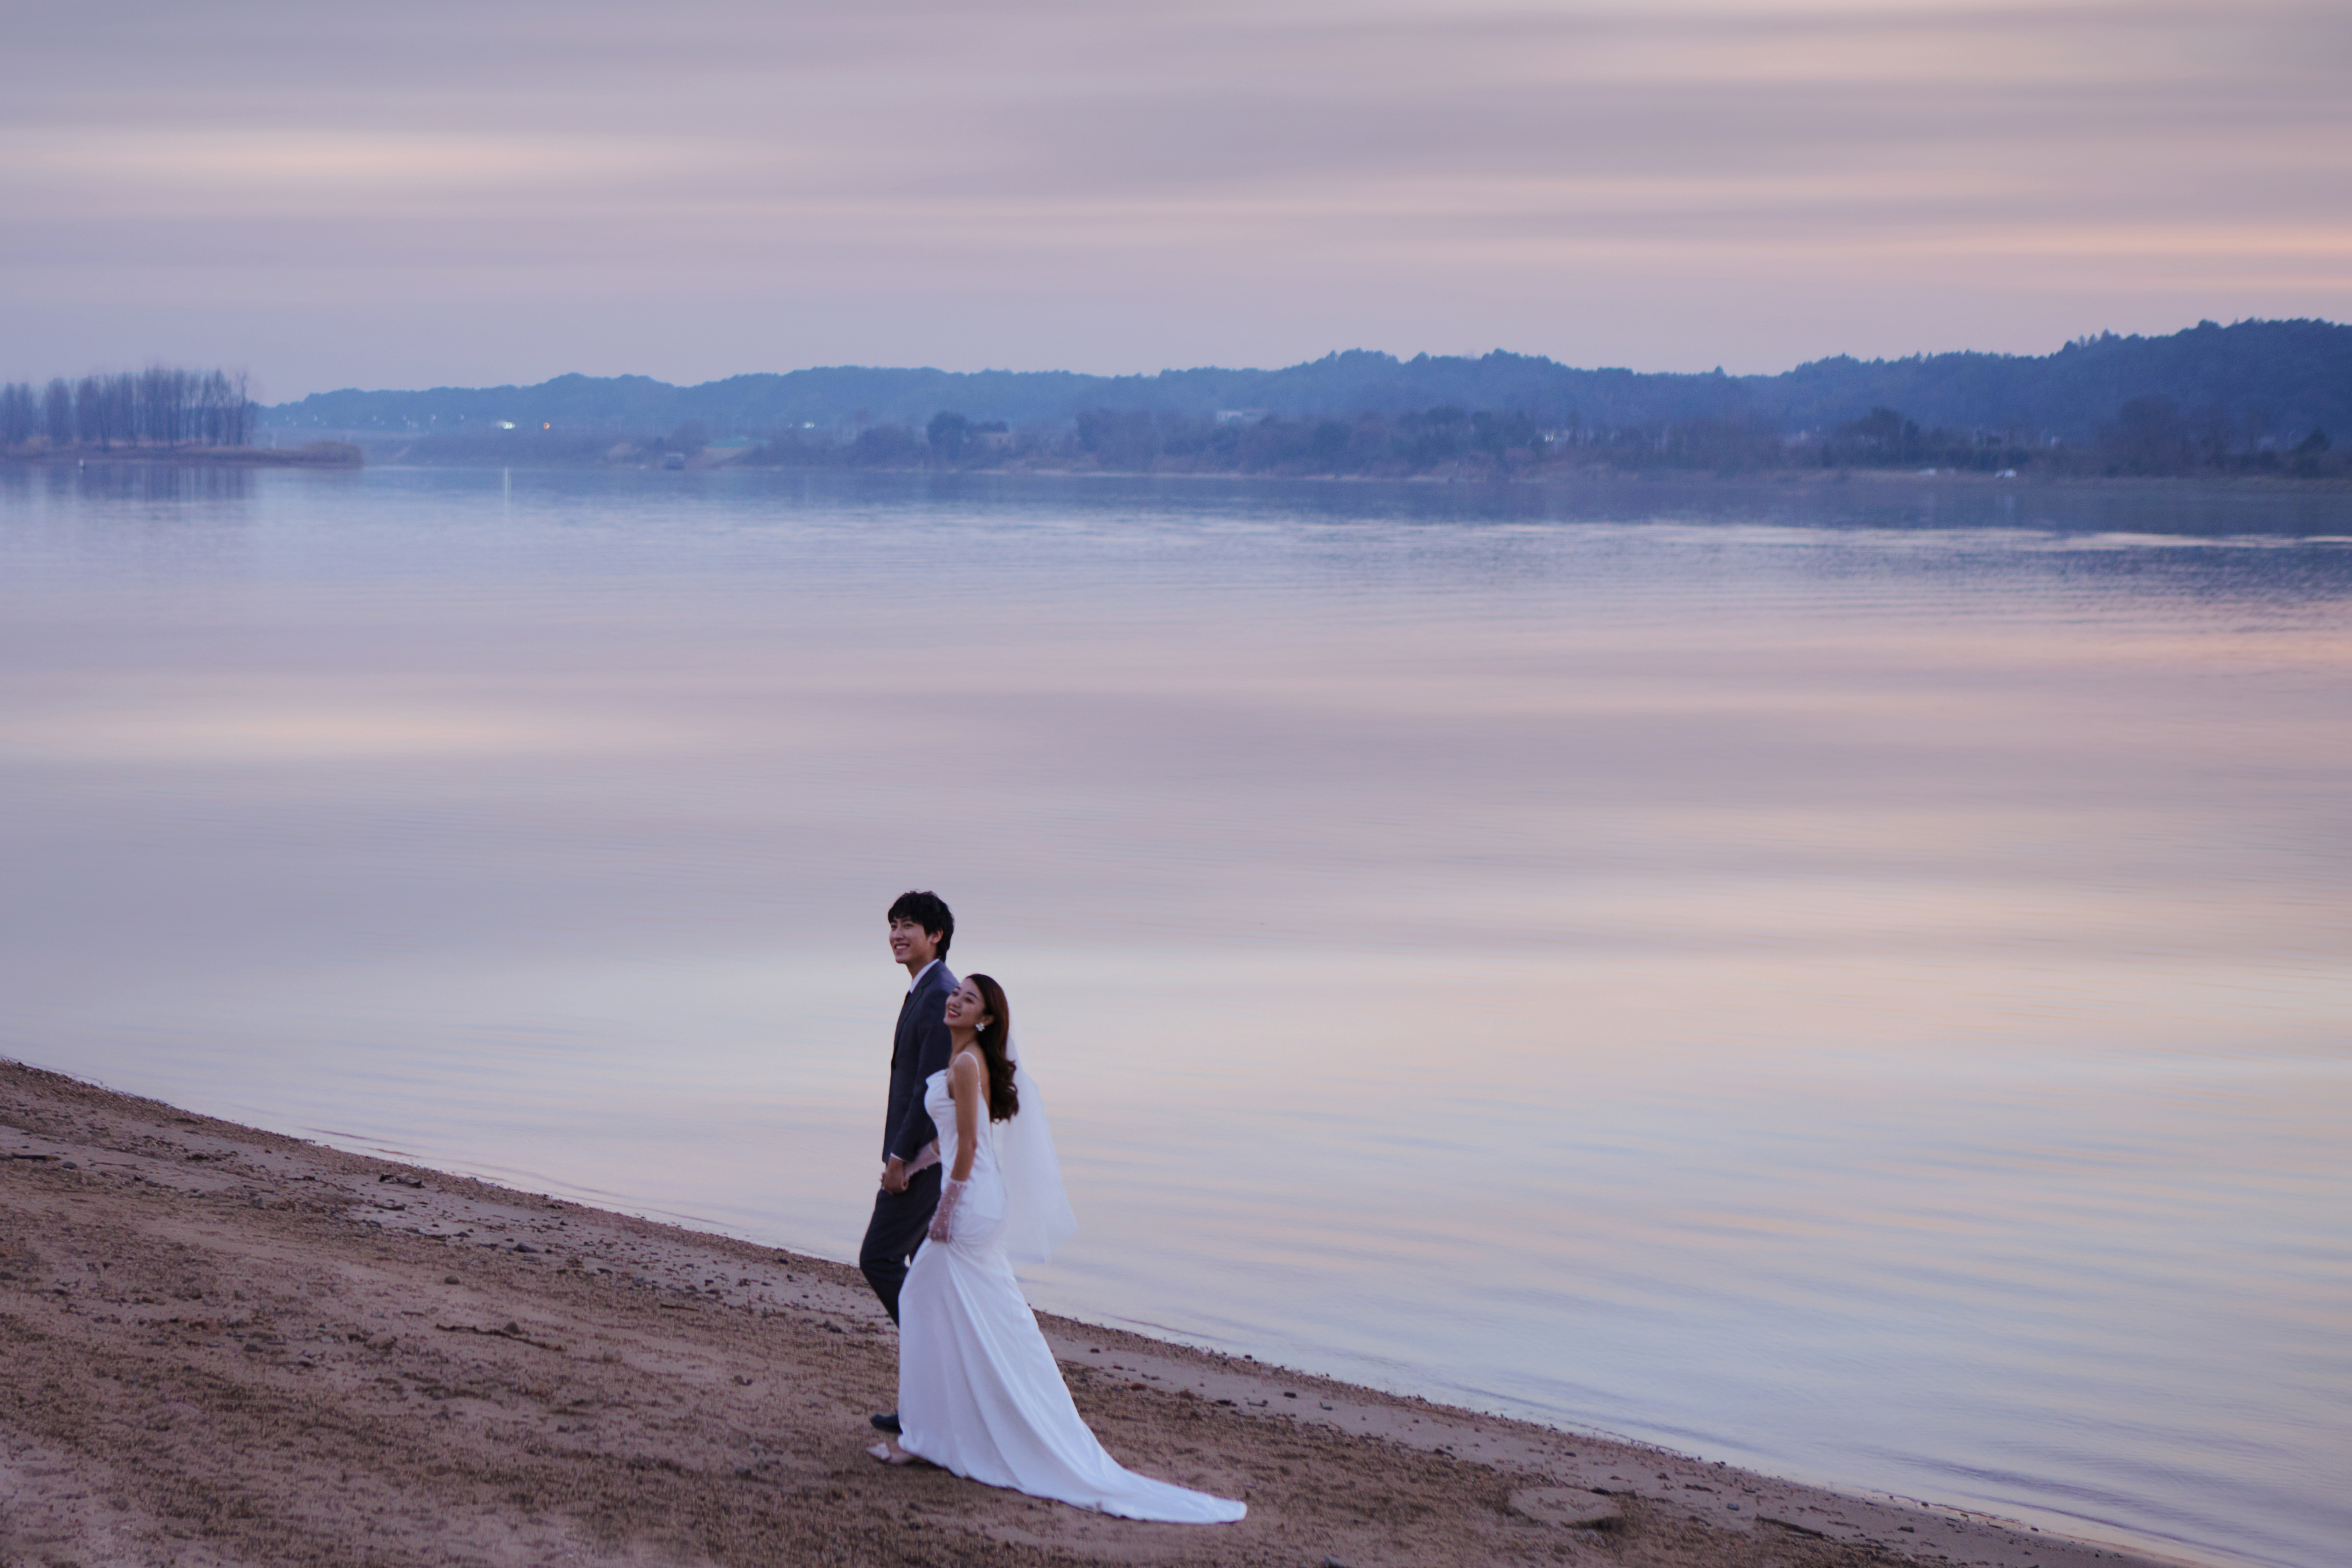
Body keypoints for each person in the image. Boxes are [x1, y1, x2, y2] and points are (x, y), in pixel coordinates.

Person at [868, 973, 1246, 1524]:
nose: (955, 1001)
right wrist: (909, 1165)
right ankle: (941, 1429)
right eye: (957, 994)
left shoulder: (968, 1064)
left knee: (927, 1300)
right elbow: (947, 1141)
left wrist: (945, 1210)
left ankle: (926, 1435)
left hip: (970, 1202)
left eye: (968, 999)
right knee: (967, 1312)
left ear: (987, 1019)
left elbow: (971, 1146)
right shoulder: (964, 1061)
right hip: (973, 1194)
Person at [861, 890, 957, 1438]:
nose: (898, 934)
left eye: (910, 926)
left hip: (922, 1163)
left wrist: (899, 1159)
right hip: (922, 1159)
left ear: (936, 935)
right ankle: (928, 1398)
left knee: (878, 1259)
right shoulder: (924, 990)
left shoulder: (941, 993)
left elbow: (929, 1088)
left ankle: (936, 1370)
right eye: (893, 925)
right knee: (922, 1278)